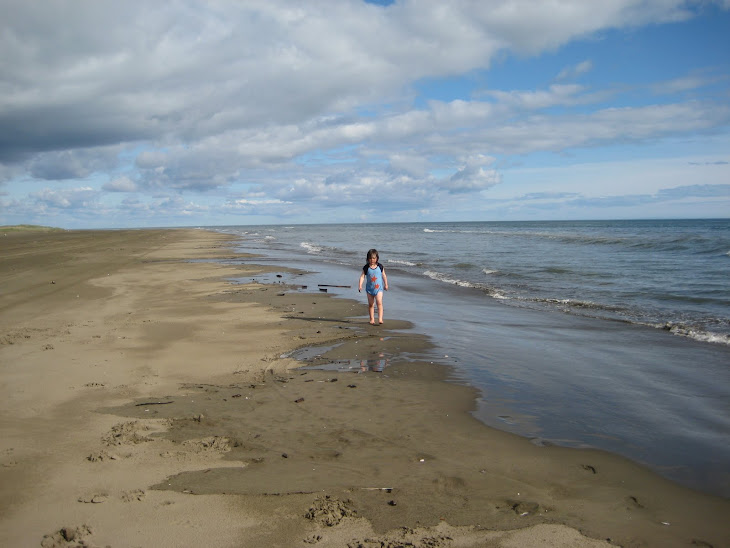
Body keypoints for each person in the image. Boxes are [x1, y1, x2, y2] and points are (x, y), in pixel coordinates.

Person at [358, 248, 389, 325]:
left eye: (374, 258)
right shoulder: (366, 267)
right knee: (371, 304)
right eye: (370, 258)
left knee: (379, 302)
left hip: (379, 289)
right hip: (369, 289)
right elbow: (362, 277)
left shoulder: (380, 266)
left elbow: (384, 276)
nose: (372, 260)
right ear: (368, 259)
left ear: (377, 258)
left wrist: (386, 284)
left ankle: (380, 318)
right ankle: (372, 319)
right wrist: (360, 285)